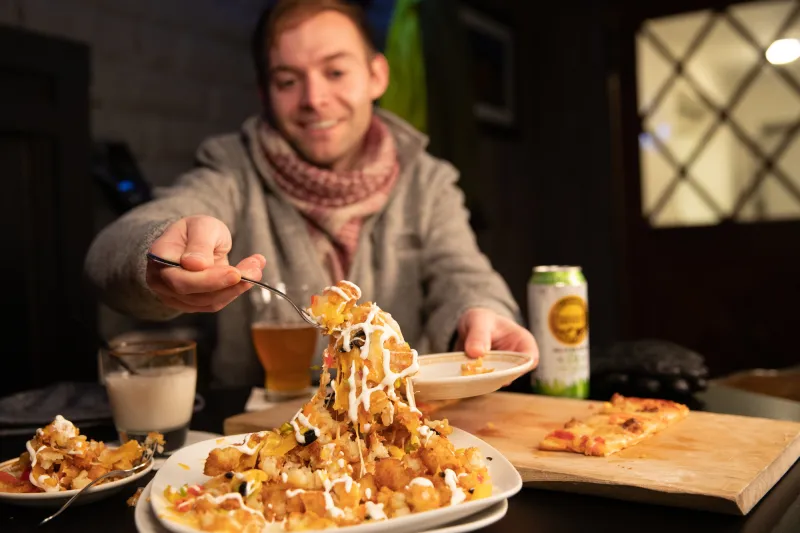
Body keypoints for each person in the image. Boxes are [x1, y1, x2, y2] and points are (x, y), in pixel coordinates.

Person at [84, 0, 537, 388]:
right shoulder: (231, 171)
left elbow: (464, 275)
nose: (314, 98)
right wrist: (158, 254)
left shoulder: (428, 180)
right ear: (265, 93)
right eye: (288, 81)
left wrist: (483, 312)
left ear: (377, 75)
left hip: (399, 439)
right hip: (263, 452)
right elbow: (109, 255)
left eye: (335, 71)